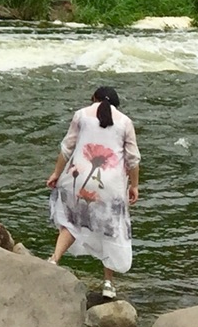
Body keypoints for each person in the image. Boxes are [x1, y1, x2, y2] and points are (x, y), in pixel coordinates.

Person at [48, 85, 140, 298]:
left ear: (94, 98)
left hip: (78, 177)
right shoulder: (125, 122)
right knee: (109, 230)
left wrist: (55, 173)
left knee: (71, 221)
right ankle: (108, 284)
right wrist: (134, 185)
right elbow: (133, 159)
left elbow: (66, 148)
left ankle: (53, 260)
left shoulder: (81, 115)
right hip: (110, 183)